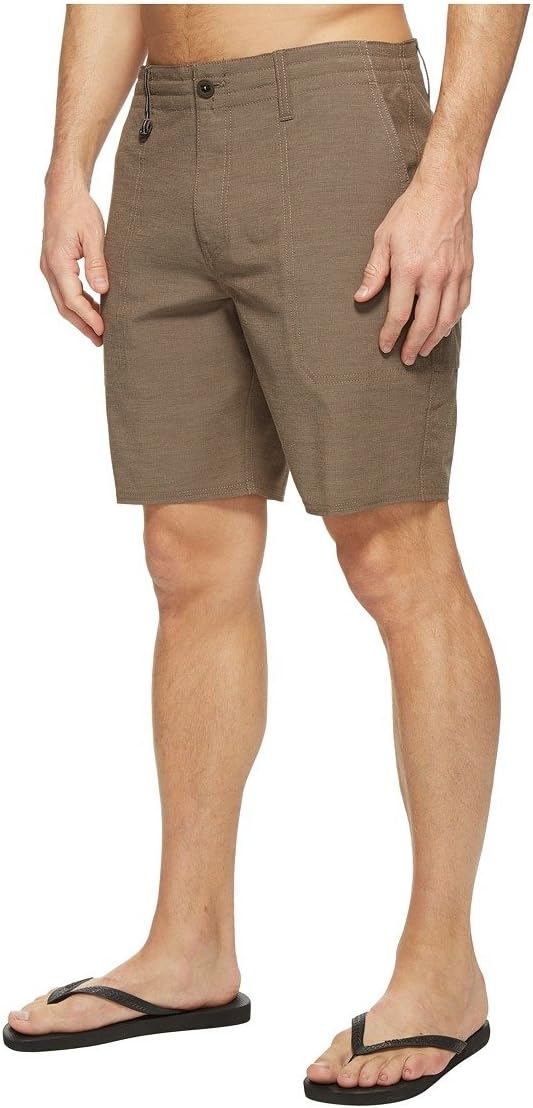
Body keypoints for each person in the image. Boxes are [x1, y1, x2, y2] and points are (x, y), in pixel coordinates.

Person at [3, 2, 528, 1102]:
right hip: (163, 141)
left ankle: (443, 966)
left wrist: (446, 180)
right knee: (186, 556)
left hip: (334, 120)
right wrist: (67, 169)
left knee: (392, 551)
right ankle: (189, 946)